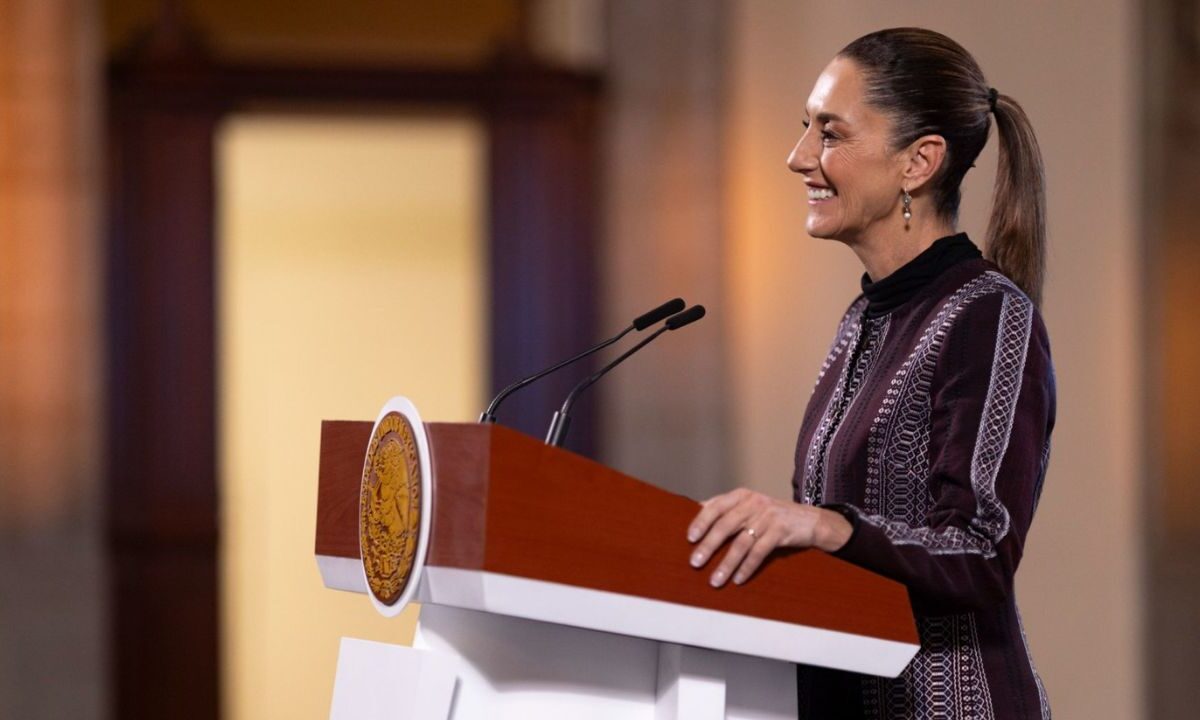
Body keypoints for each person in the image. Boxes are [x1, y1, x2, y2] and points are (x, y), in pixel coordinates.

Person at [686, 27, 1055, 719]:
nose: (798, 157)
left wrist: (825, 527)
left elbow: (979, 551)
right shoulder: (863, 319)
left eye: (829, 133)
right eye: (806, 128)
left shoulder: (989, 314)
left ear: (919, 162)